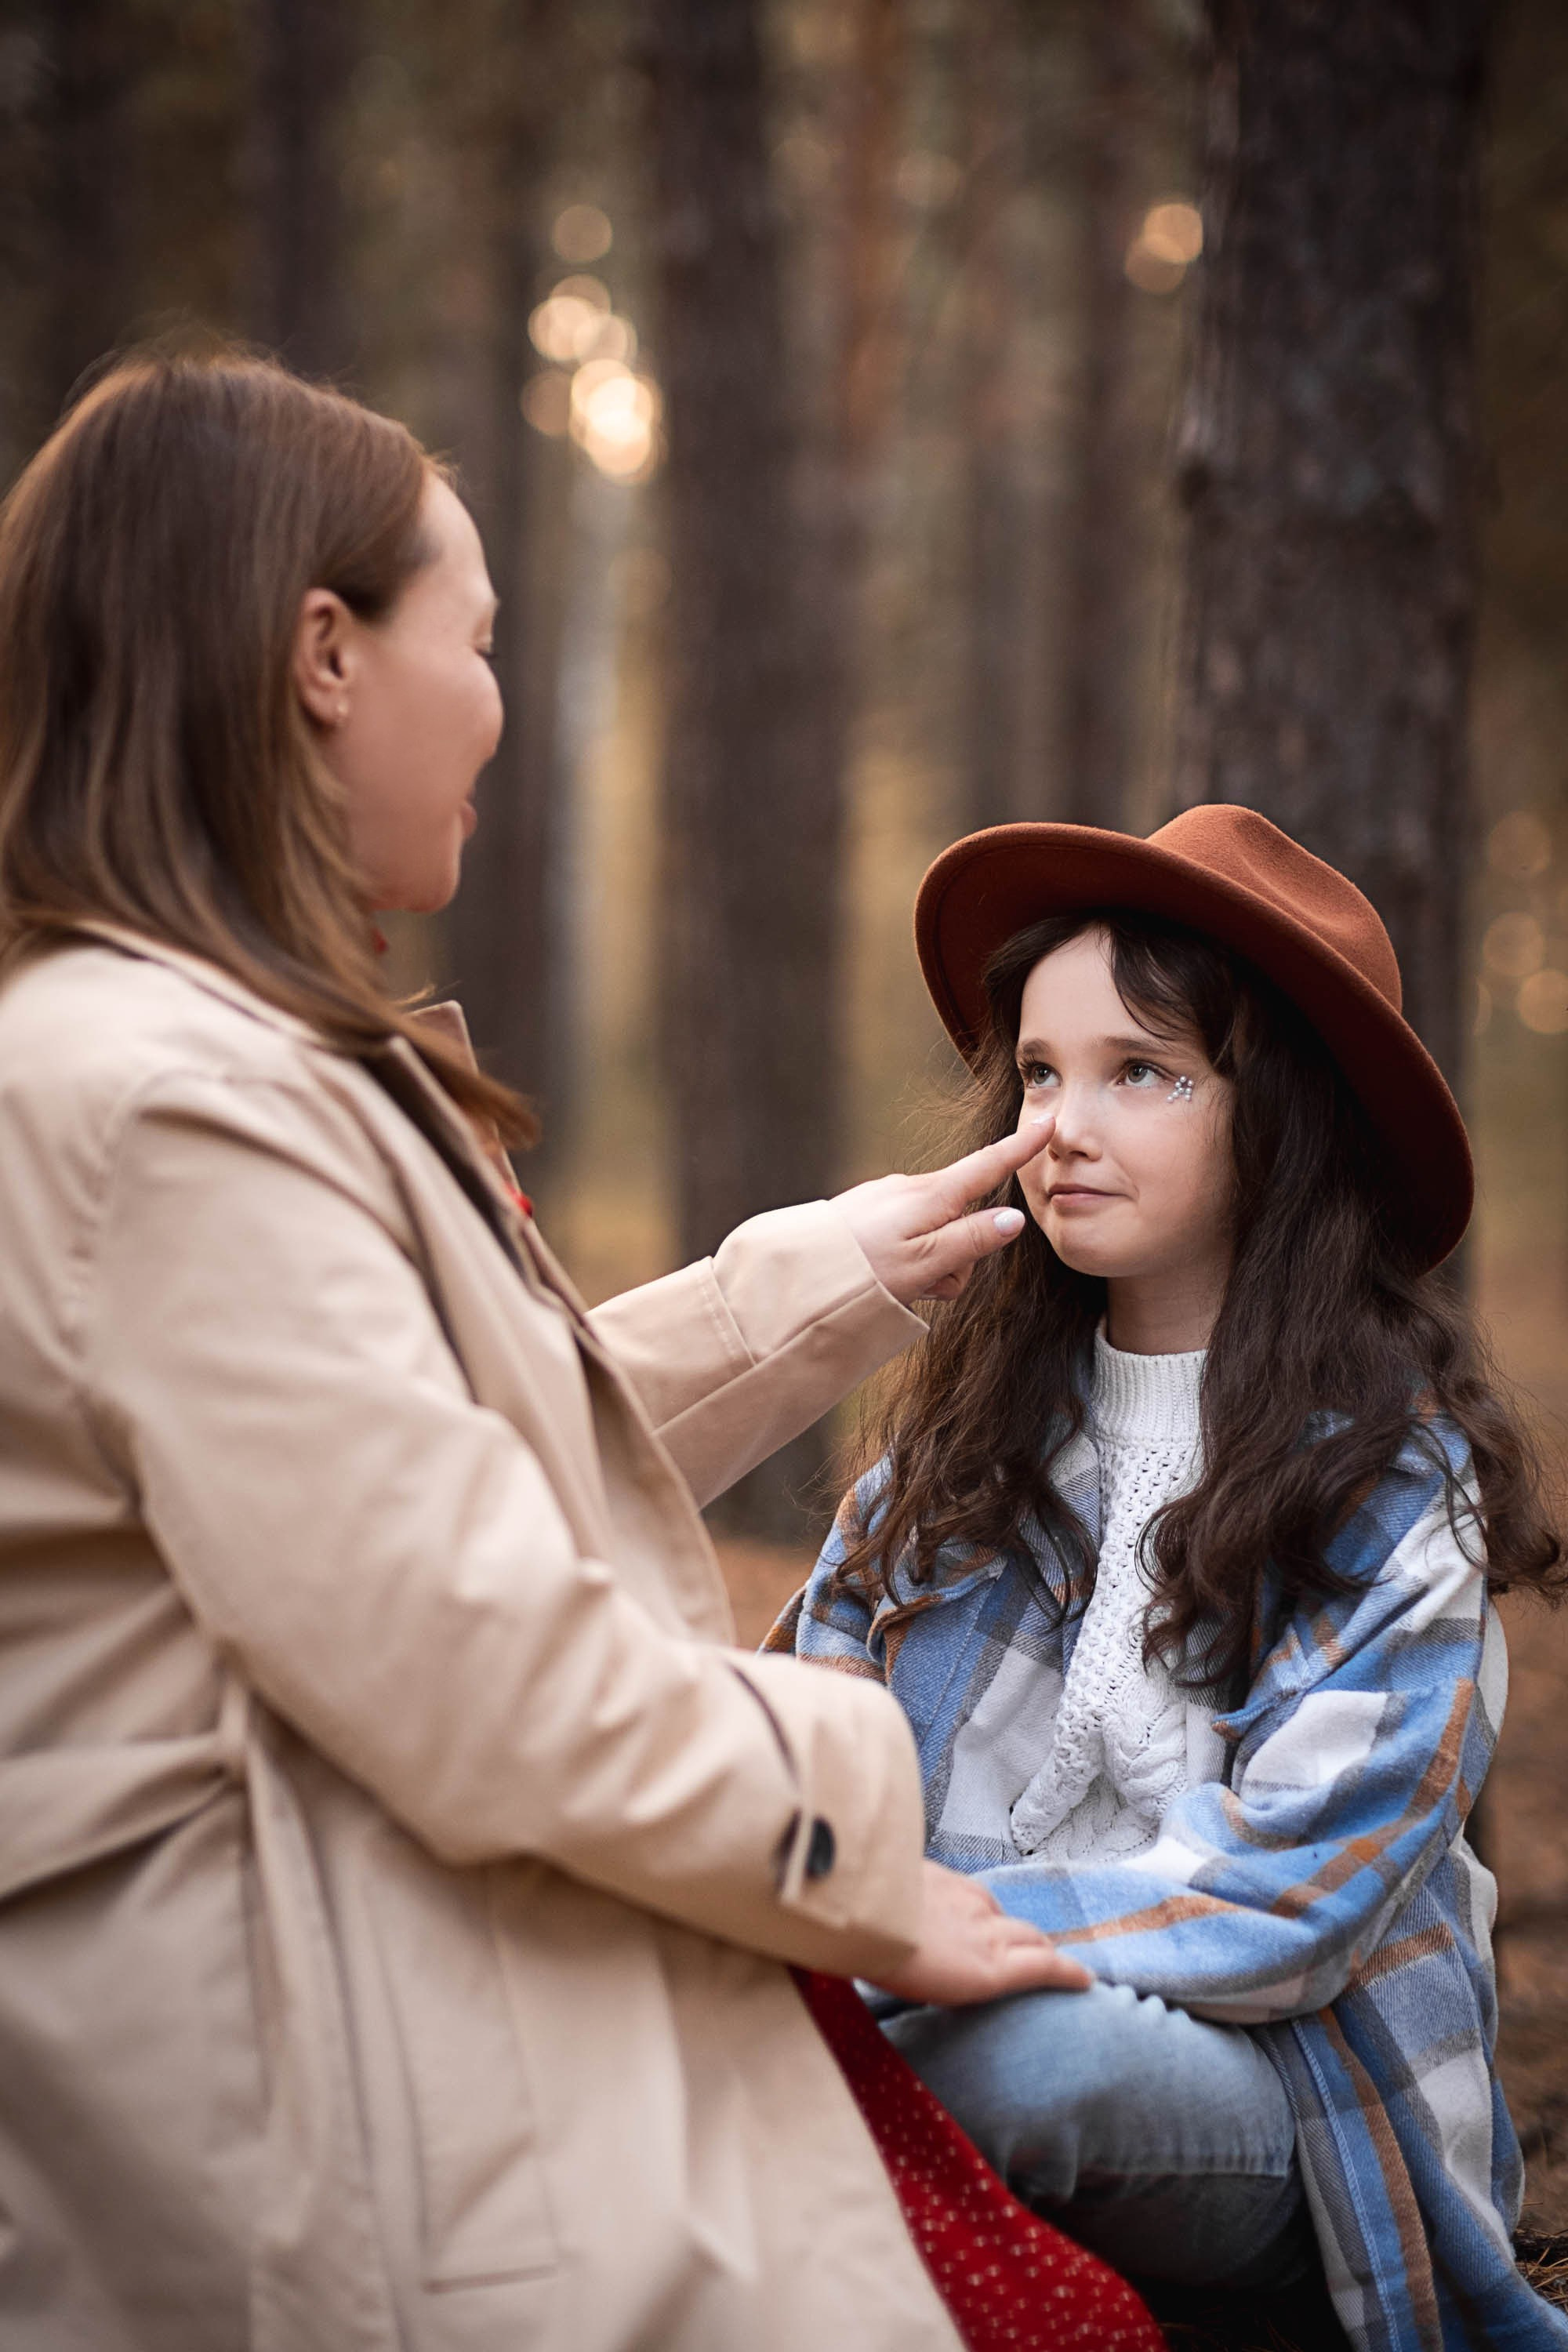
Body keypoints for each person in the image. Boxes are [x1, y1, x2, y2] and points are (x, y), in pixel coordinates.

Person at [0, 349, 1125, 2352]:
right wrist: (869, 1821)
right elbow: (477, 1659)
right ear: (323, 657)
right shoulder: (163, 1100)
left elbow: (421, 1461)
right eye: (481, 641)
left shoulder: (202, 1058)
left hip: (372, 1961)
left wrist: (821, 1278)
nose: (502, 712)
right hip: (309, 2081)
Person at [776, 805, 1568, 2351]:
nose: (1064, 1122)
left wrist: (926, 1942)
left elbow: (1295, 1900)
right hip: (921, 1994)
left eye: (1139, 1071)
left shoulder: (1396, 1495)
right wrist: (832, 1909)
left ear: (1278, 1118)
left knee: (1016, 2069)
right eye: (1041, 1071)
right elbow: (804, 1735)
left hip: (1288, 2110)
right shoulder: (954, 1457)